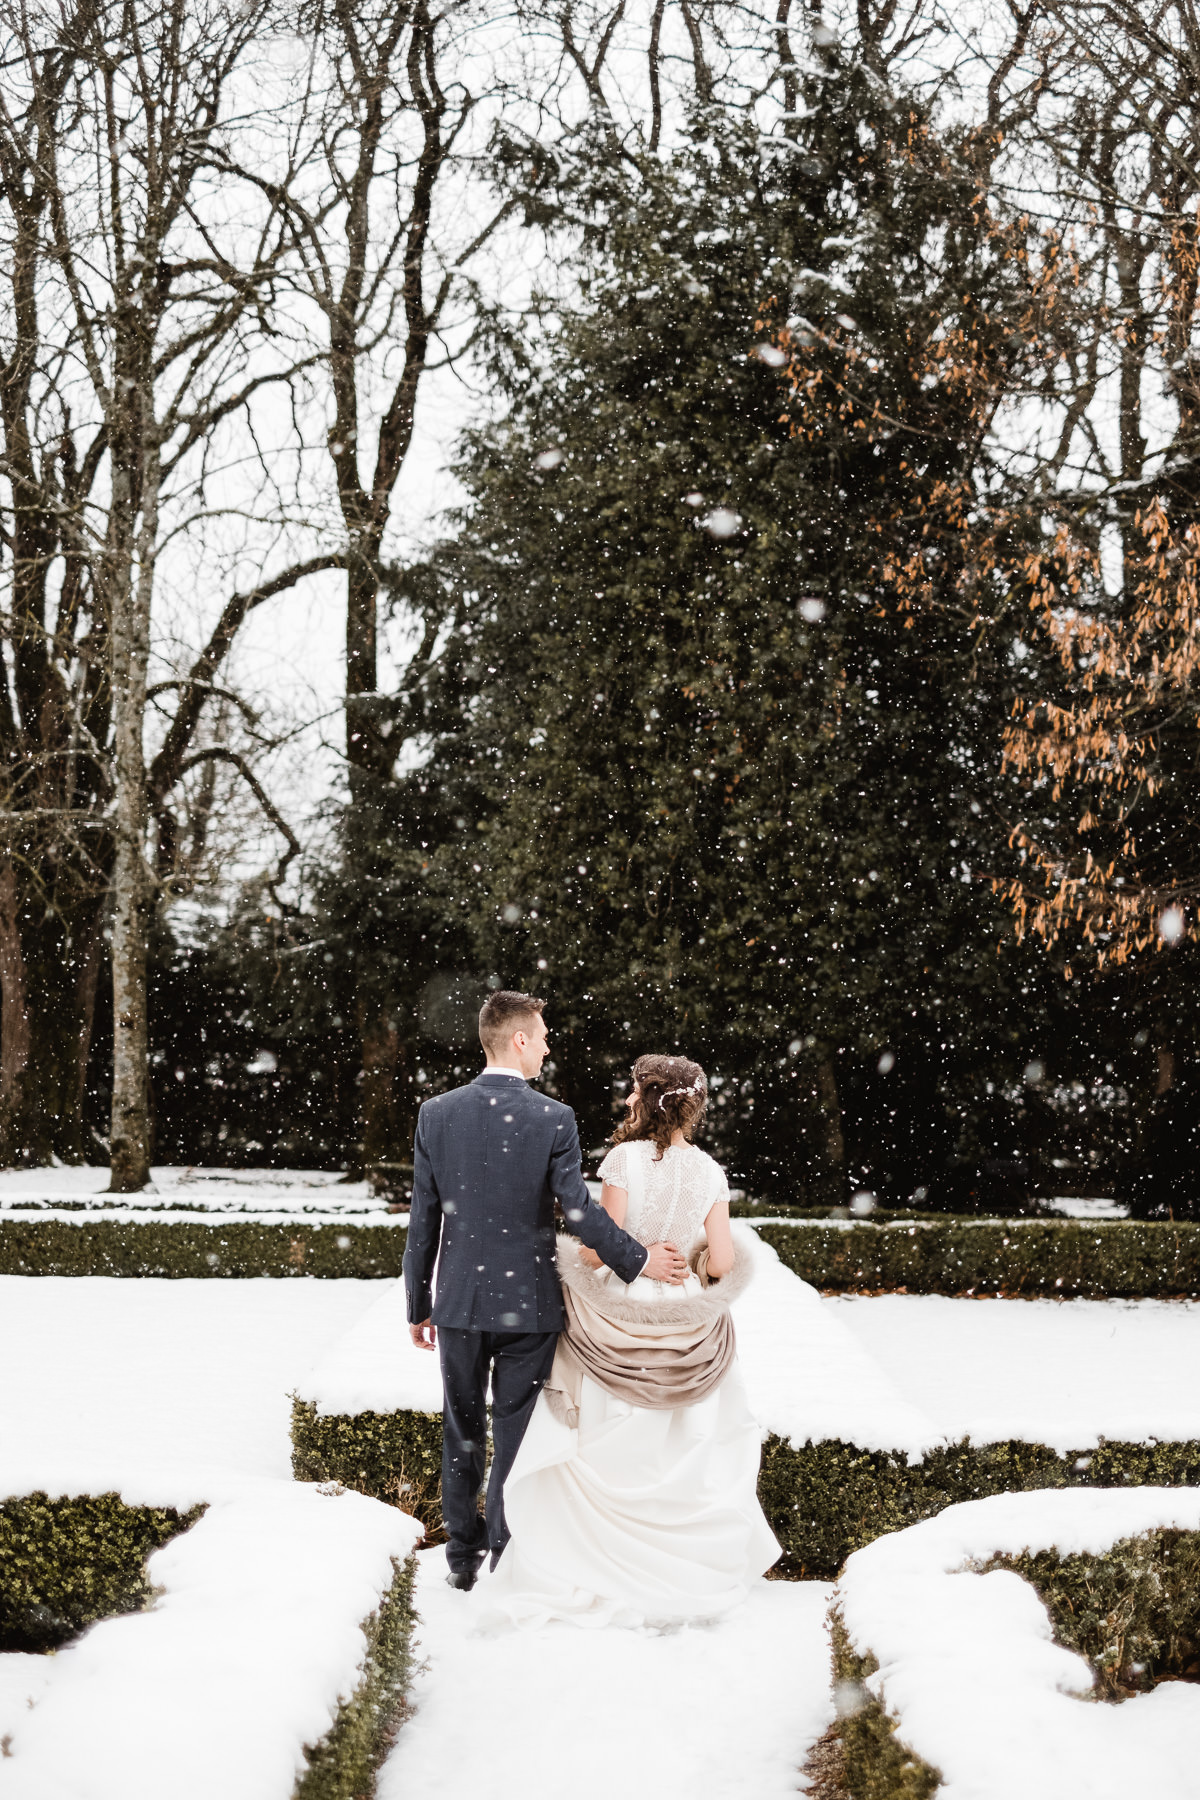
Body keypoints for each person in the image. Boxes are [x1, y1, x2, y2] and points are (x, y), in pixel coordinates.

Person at [481, 1052, 780, 1625]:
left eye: (633, 1091)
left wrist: (598, 1254)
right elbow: (719, 1259)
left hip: (621, 1302)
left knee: (599, 1419)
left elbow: (603, 1244)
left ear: (649, 1100)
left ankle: (592, 1555)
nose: (626, 1100)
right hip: (687, 1311)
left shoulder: (623, 1160)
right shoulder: (710, 1172)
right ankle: (683, 1563)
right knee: (689, 1429)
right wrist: (689, 1259)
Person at [403, 993, 690, 1591]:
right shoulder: (553, 1118)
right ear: (520, 1041)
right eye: (544, 1034)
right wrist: (639, 1261)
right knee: (513, 1432)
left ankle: (461, 1561)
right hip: (529, 1305)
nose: (550, 1044)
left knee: (461, 1428)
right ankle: (506, 1558)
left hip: (457, 1303)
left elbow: (423, 1218)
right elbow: (580, 1214)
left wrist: (418, 1303)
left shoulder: (437, 1113)